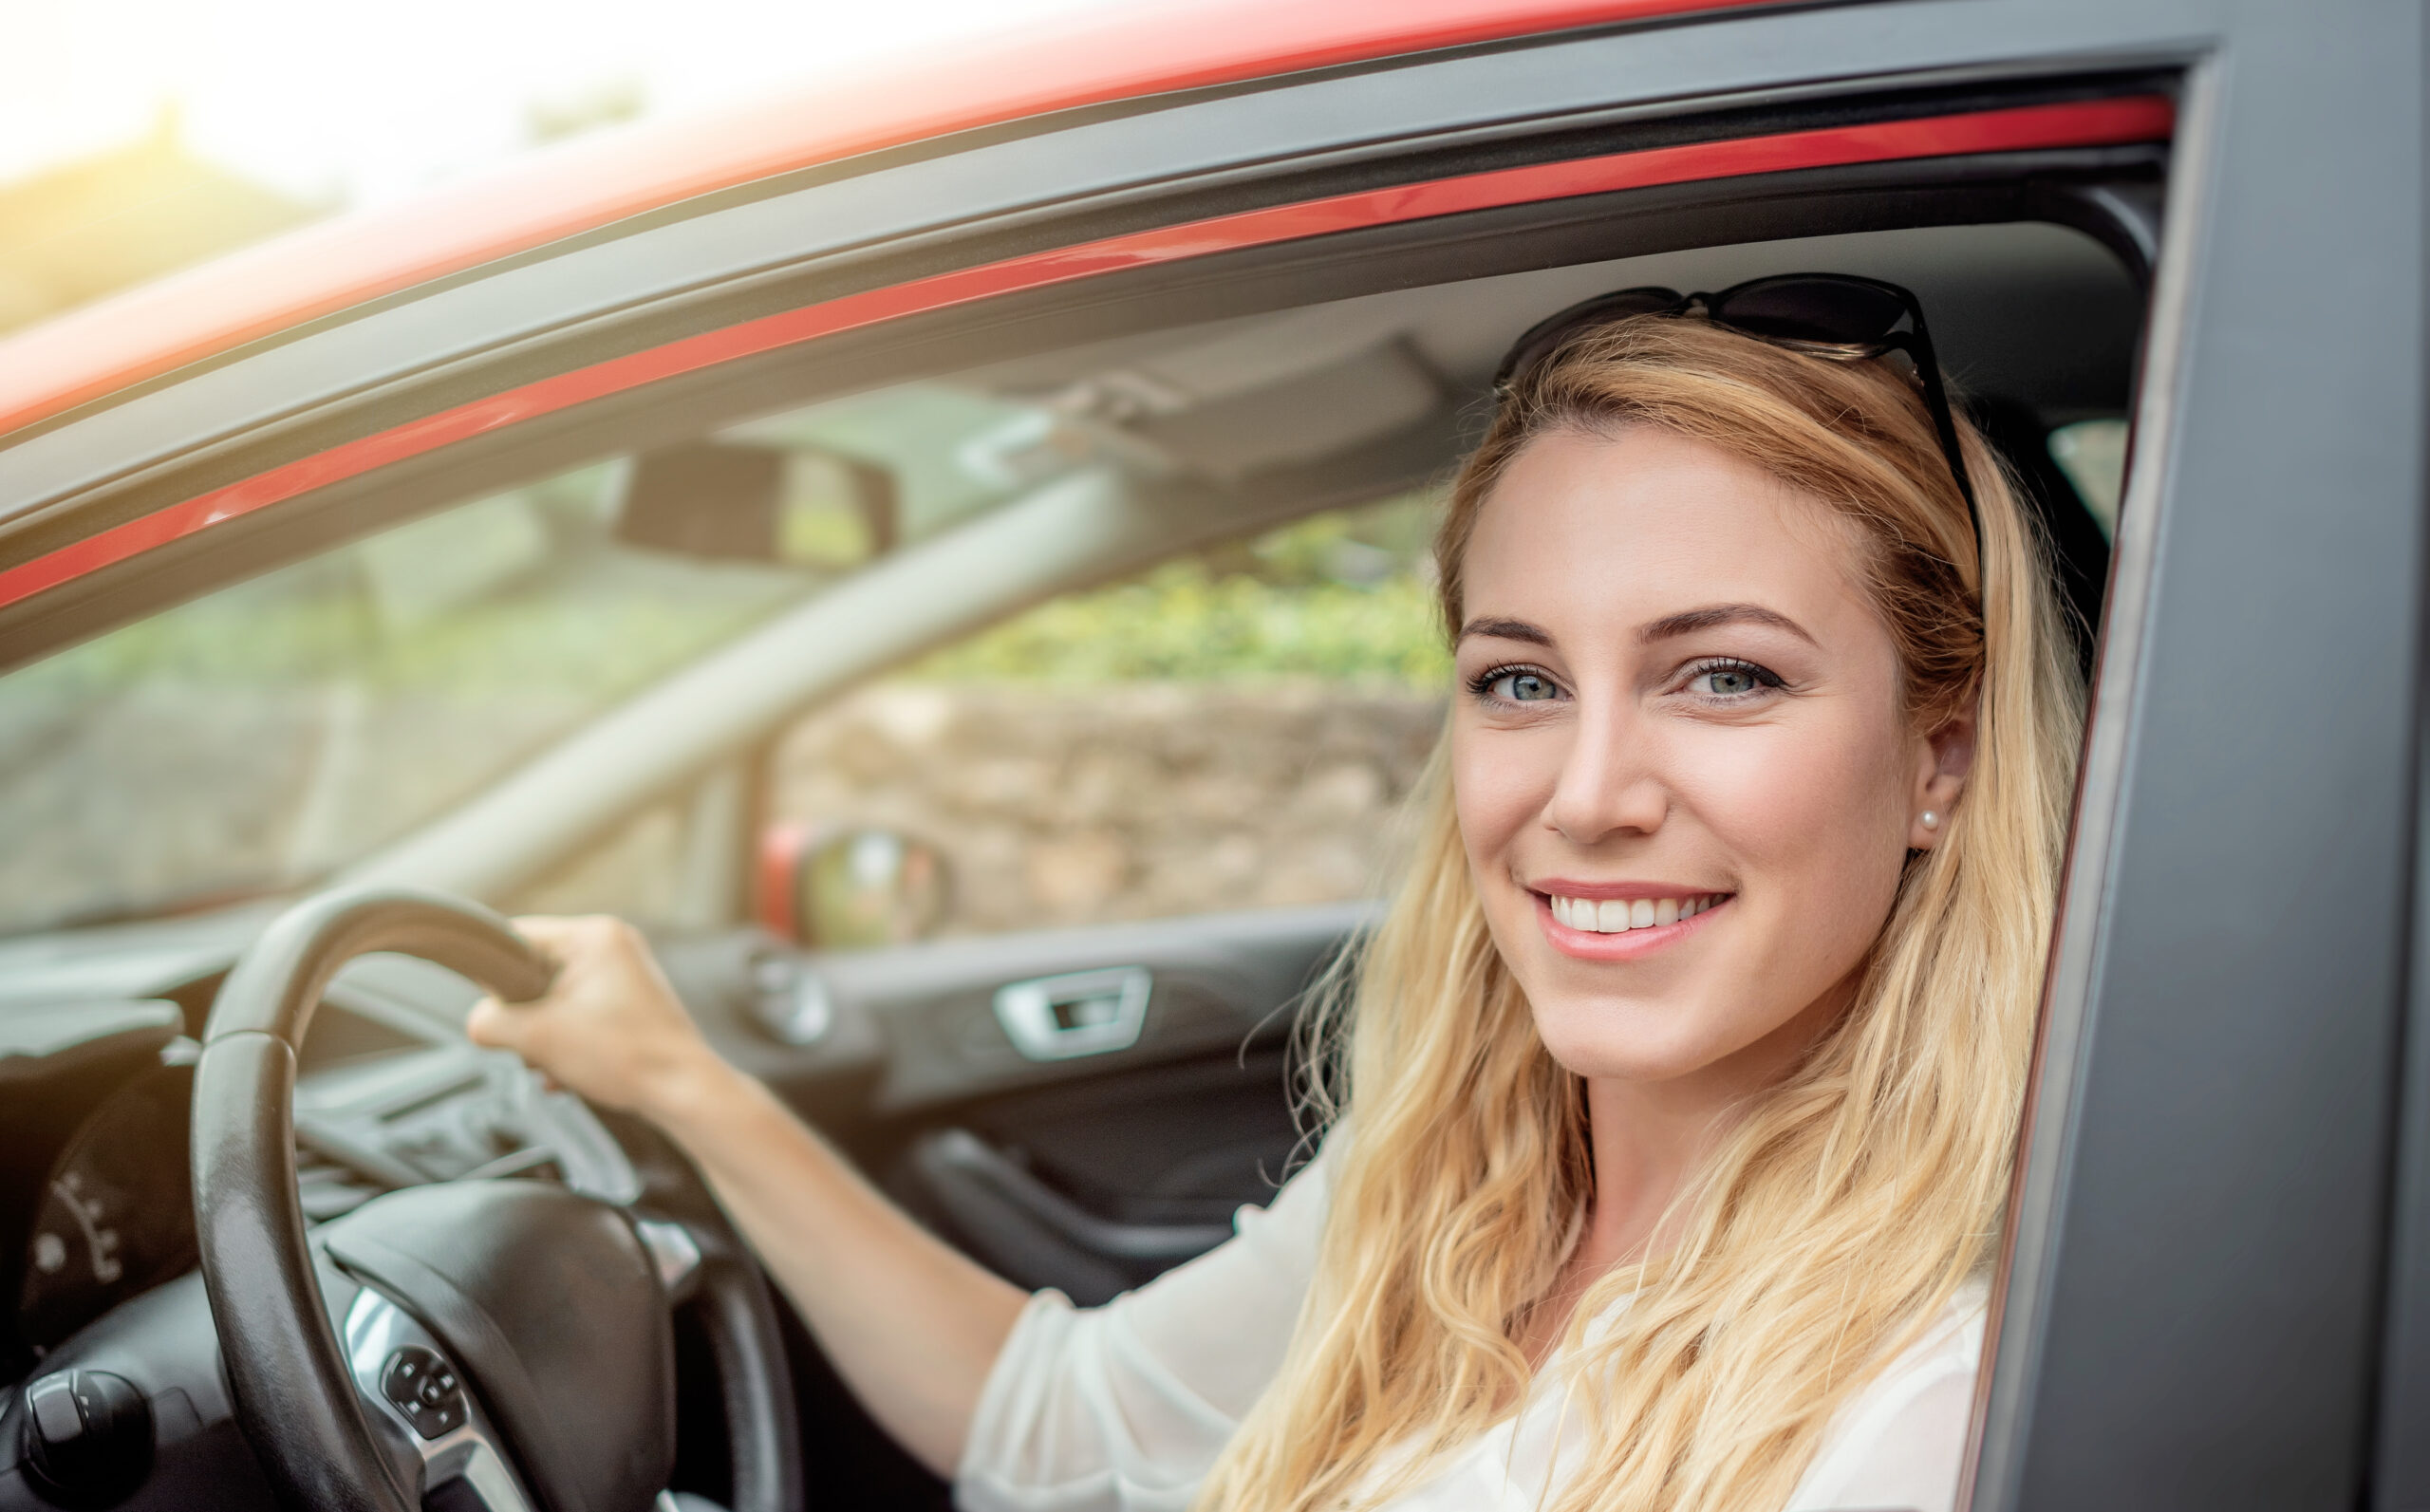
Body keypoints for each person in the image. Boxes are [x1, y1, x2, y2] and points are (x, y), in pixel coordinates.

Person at [469, 275, 2082, 1512]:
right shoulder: (1455, 1184)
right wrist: (684, 1080)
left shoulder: (1935, 1395)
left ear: (1940, 757)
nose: (1587, 794)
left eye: (1724, 675)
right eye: (1519, 682)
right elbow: (1056, 1424)